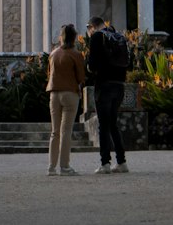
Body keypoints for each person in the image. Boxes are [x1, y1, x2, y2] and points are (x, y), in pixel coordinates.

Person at [86, 15, 129, 175]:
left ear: (91, 27)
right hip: (119, 85)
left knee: (103, 125)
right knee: (113, 124)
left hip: (104, 84)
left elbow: (92, 65)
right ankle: (122, 162)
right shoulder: (119, 37)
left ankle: (105, 163)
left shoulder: (97, 36)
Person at [46, 22, 86, 176]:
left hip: (54, 93)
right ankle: (65, 166)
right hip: (70, 93)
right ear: (74, 37)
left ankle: (51, 167)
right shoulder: (76, 54)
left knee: (54, 132)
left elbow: (49, 74)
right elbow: (81, 77)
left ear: (61, 37)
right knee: (66, 131)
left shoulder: (53, 53)